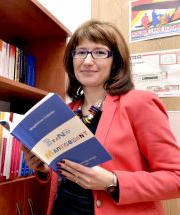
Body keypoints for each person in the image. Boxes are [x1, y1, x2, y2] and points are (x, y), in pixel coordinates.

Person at [21, 20, 180, 215]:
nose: (87, 61)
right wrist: (44, 168)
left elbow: (176, 178)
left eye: (99, 52)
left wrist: (112, 181)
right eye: (80, 52)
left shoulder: (140, 103)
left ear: (116, 62)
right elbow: (68, 174)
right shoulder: (68, 110)